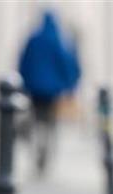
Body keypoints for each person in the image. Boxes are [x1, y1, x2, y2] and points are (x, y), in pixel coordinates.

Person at [17, 10, 81, 176]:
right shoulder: (58, 40)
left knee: (36, 118)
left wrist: (22, 82)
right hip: (52, 91)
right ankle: (45, 147)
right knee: (50, 122)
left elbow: (23, 61)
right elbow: (66, 63)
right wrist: (71, 85)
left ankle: (37, 144)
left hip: (34, 88)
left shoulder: (34, 39)